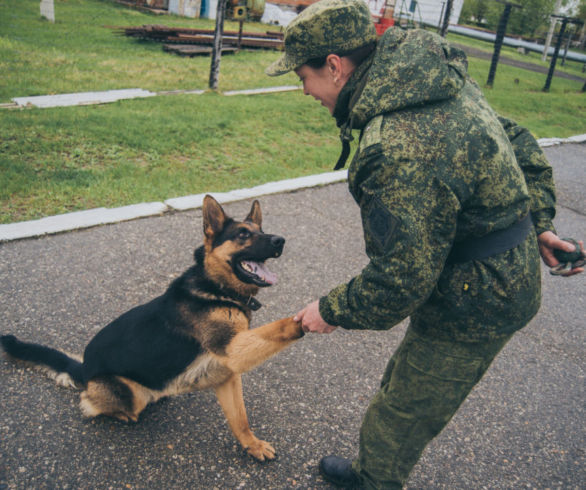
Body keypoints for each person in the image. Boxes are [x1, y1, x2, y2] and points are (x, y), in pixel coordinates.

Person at [266, 0, 584, 488]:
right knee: (404, 385)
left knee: (401, 416)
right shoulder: (426, 77)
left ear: (334, 67)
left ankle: (372, 481)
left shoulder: (395, 148)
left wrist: (327, 310)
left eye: (303, 76)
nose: (303, 89)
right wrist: (535, 222)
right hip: (482, 277)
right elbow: (516, 139)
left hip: (479, 298)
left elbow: (401, 280)